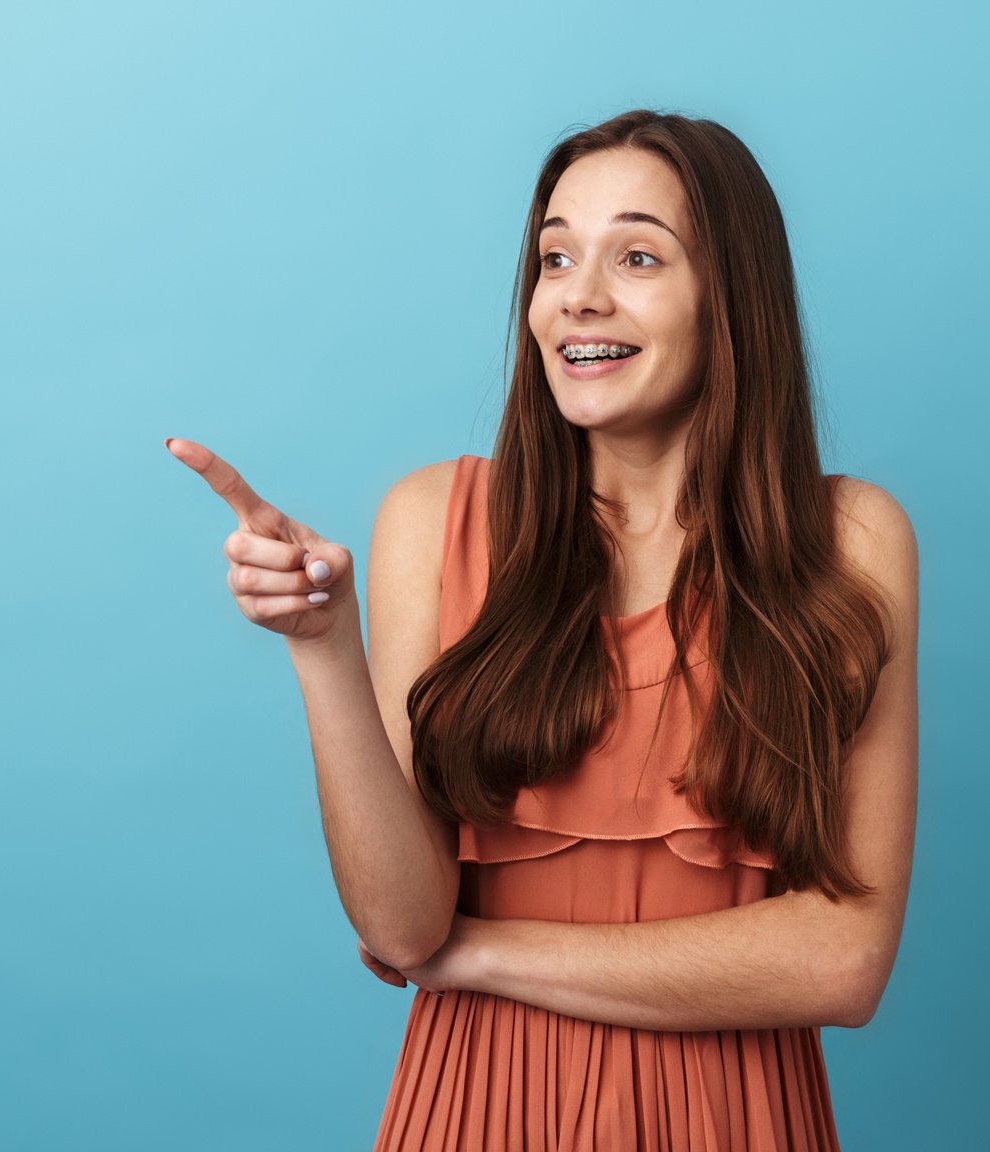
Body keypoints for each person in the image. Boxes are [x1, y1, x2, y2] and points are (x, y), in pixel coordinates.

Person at [165, 108, 918, 1151]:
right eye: (554, 257)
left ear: (730, 299)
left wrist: (478, 956)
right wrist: (324, 648)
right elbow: (399, 925)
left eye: (638, 256)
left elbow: (843, 961)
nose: (579, 296)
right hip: (473, 1114)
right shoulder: (434, 522)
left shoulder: (849, 542)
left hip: (737, 1122)